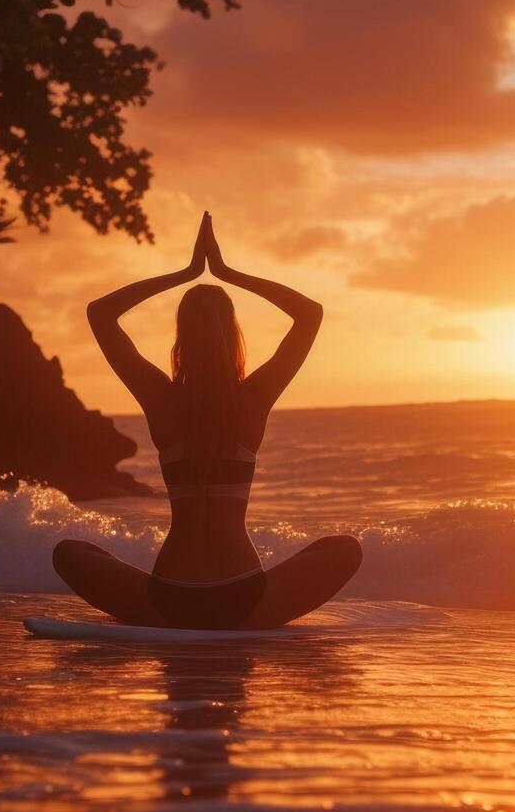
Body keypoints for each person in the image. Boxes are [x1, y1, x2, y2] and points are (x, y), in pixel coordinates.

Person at [52, 212, 362, 629]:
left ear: (180, 335)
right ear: (233, 332)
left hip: (167, 600)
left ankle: (166, 615)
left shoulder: (160, 401)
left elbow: (100, 313)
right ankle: (242, 620)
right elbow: (310, 314)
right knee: (344, 549)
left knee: (69, 553)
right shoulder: (253, 399)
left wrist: (184, 274)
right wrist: (228, 272)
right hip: (244, 600)